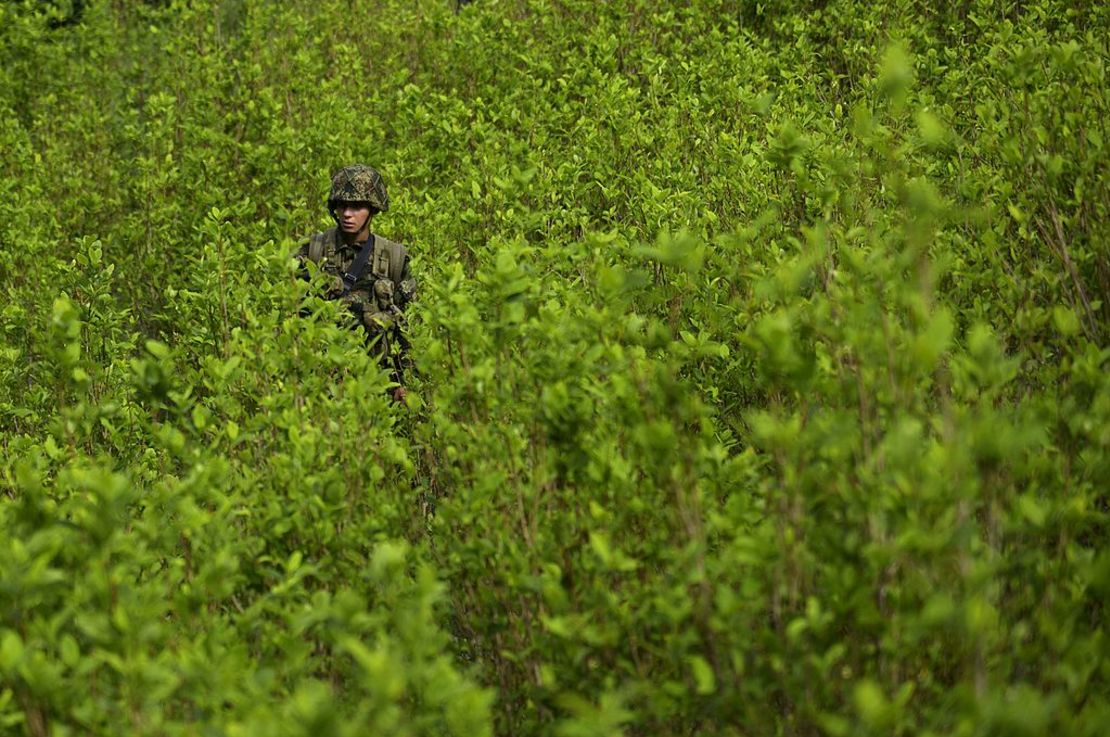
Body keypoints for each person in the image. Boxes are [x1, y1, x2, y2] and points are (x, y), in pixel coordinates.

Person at [295, 164, 416, 403]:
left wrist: (406, 383)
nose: (348, 214)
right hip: (323, 383)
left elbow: (408, 328)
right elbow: (293, 319)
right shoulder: (313, 251)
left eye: (357, 206)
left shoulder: (394, 257)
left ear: (373, 209)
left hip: (379, 387)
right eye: (342, 205)